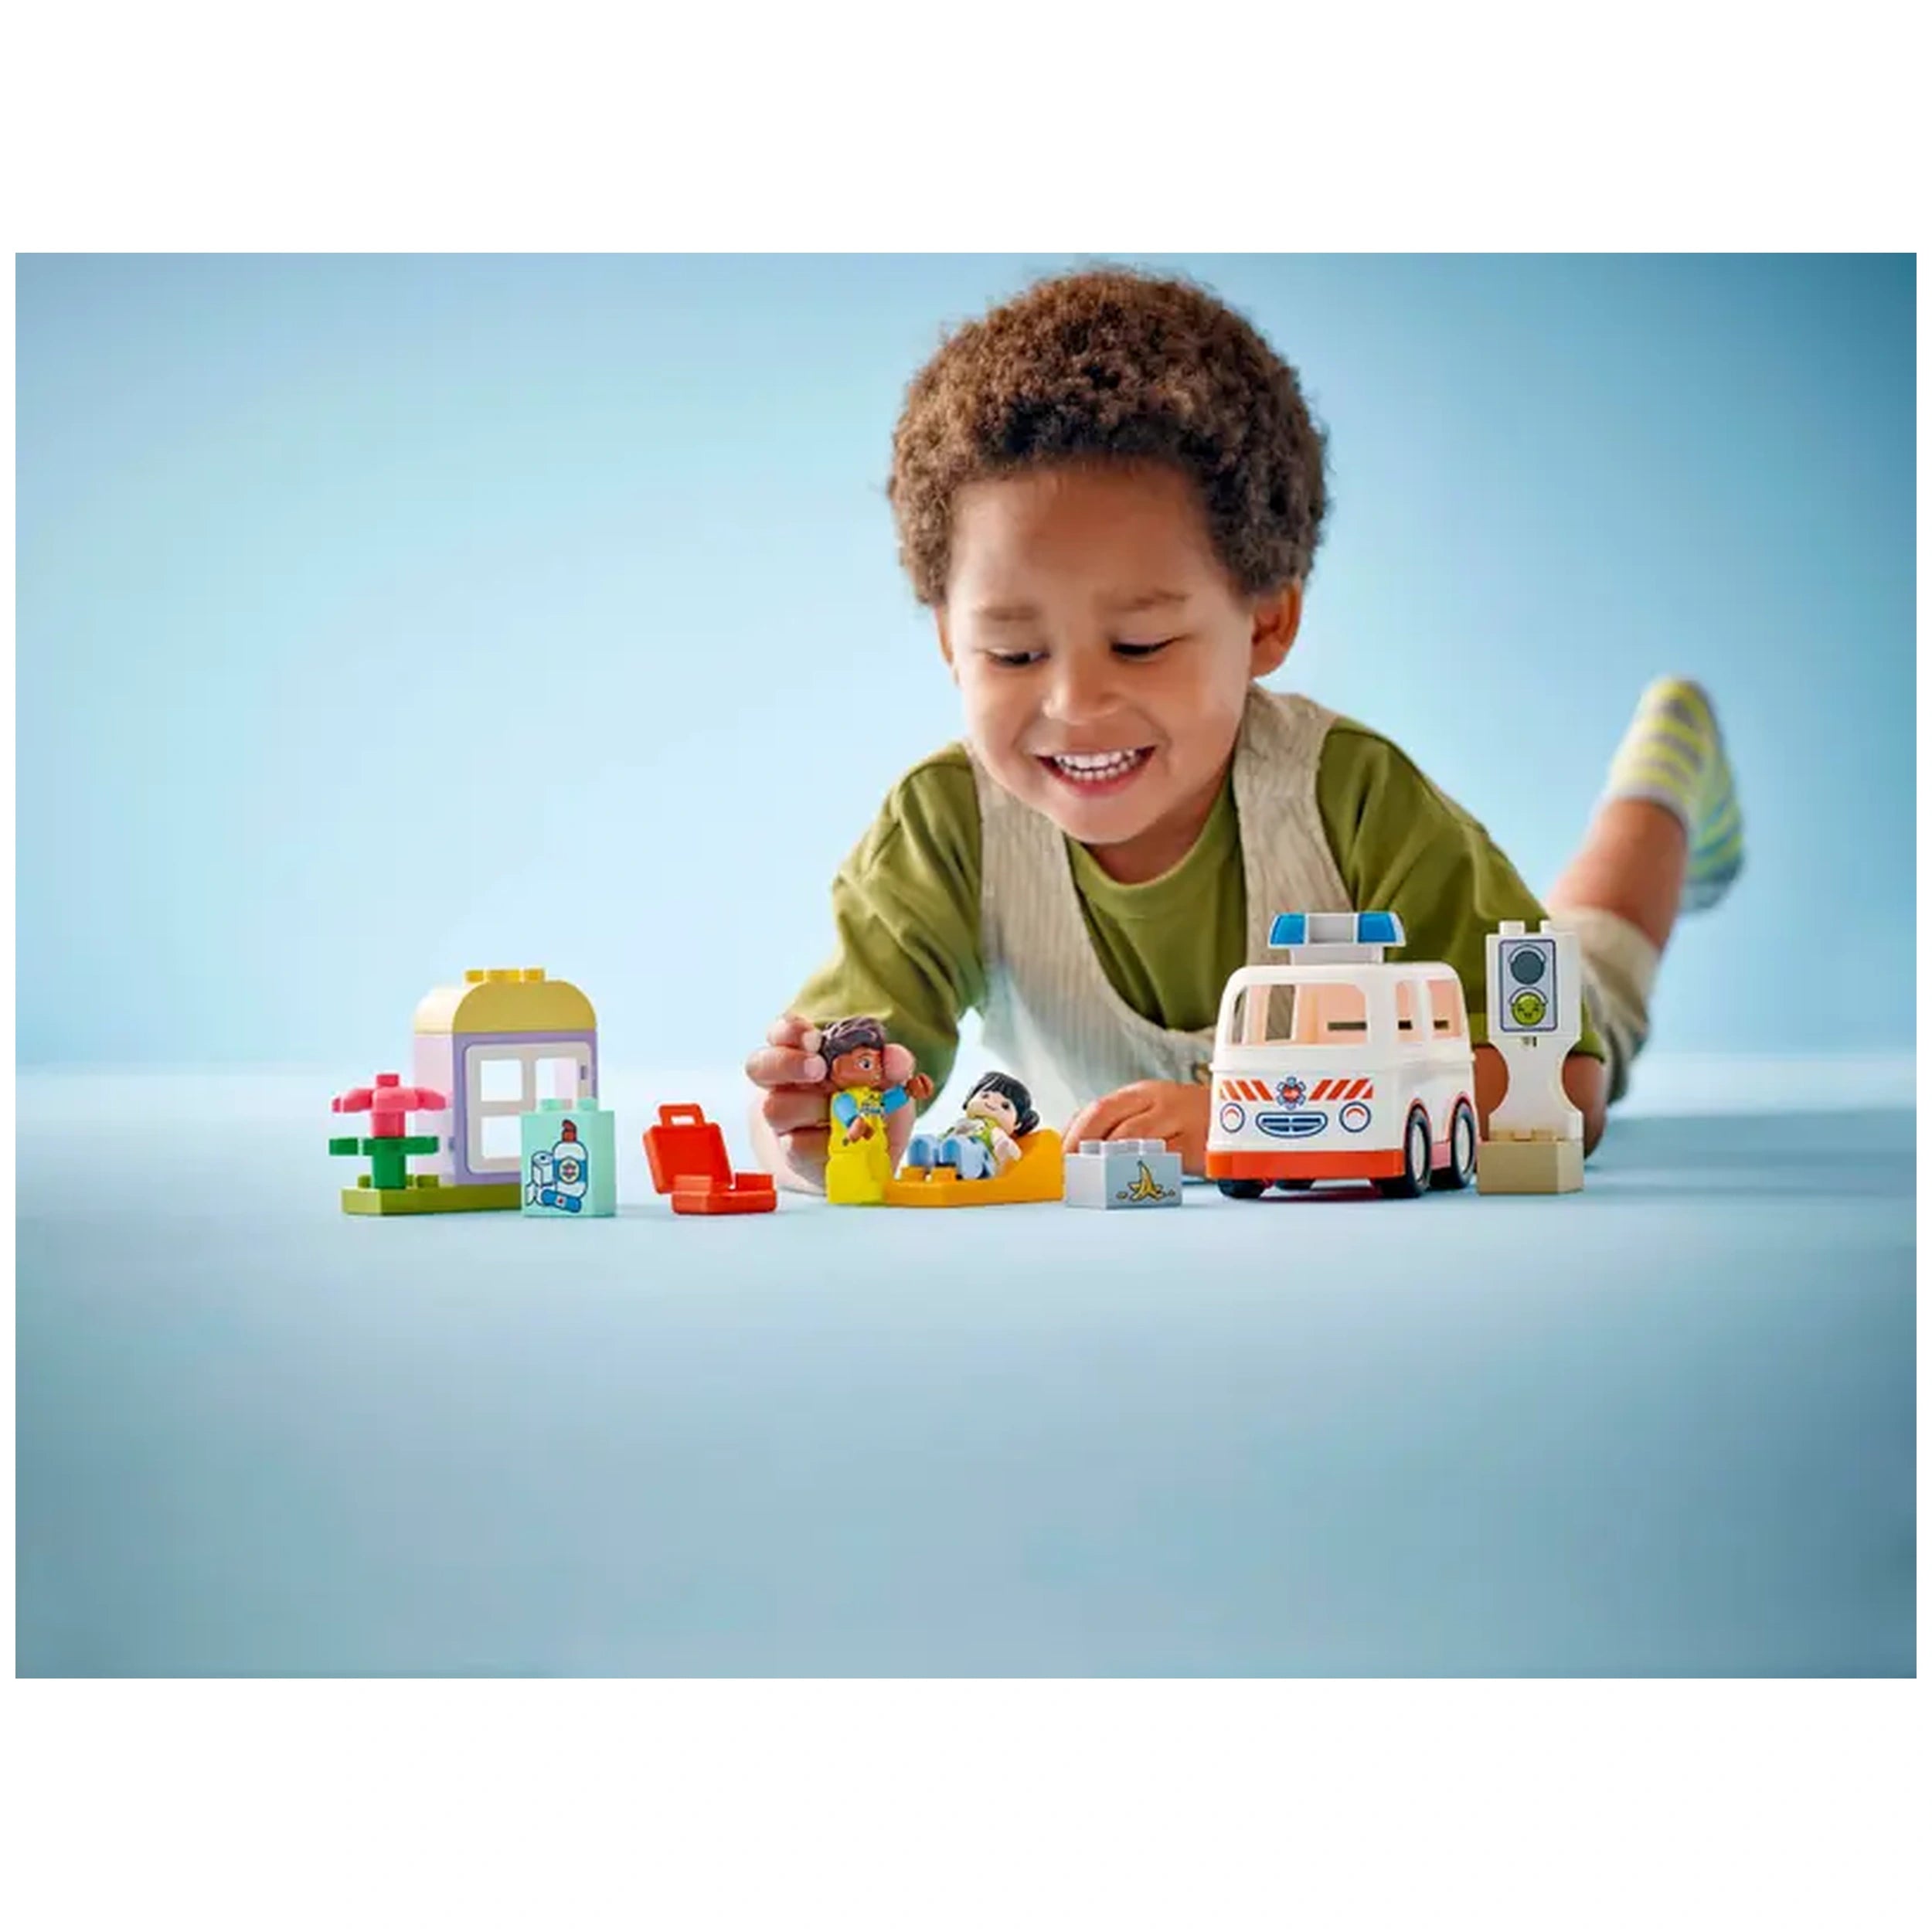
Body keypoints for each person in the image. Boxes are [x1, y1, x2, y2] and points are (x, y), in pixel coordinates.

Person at [746, 267, 1743, 1192]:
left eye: (1139, 644)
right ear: (950, 642)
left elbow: (1556, 1090)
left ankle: (1668, 770)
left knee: (1592, 957)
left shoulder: (1350, 797)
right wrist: (808, 1118)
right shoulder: (943, 828)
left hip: (1530, 1006)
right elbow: (826, 1092)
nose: (1075, 704)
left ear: (1266, 622)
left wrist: (1250, 1119)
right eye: (1012, 654)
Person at [903, 1071, 1039, 1181]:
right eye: (985, 1096)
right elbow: (948, 1134)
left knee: (959, 1146)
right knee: (932, 1142)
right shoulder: (963, 1123)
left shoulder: (994, 1130)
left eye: (1005, 1106)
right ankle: (923, 1156)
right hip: (951, 1148)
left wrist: (1005, 1147)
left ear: (1018, 1123)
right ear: (970, 1098)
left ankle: (958, 1160)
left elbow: (1008, 1149)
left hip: (983, 1162)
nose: (990, 1104)